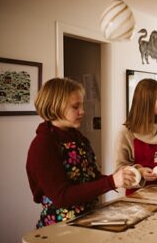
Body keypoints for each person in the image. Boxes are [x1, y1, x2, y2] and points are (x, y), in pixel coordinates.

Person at [26, 77, 129, 227]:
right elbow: (62, 197)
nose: (82, 111)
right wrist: (112, 181)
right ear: (55, 108)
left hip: (88, 219)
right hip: (59, 227)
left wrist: (124, 176)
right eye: (75, 107)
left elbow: (93, 179)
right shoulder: (43, 145)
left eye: (82, 105)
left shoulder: (79, 139)